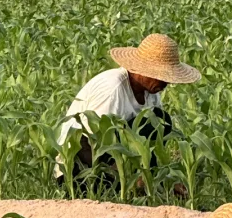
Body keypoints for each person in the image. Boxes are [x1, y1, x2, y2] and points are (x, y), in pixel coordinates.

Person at [56, 33, 199, 196]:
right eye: (162, 76)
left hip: (119, 165)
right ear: (143, 70)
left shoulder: (151, 91)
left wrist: (160, 179)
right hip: (81, 171)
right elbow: (86, 144)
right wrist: (129, 175)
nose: (166, 83)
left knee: (159, 119)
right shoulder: (113, 90)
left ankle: (146, 184)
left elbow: (150, 145)